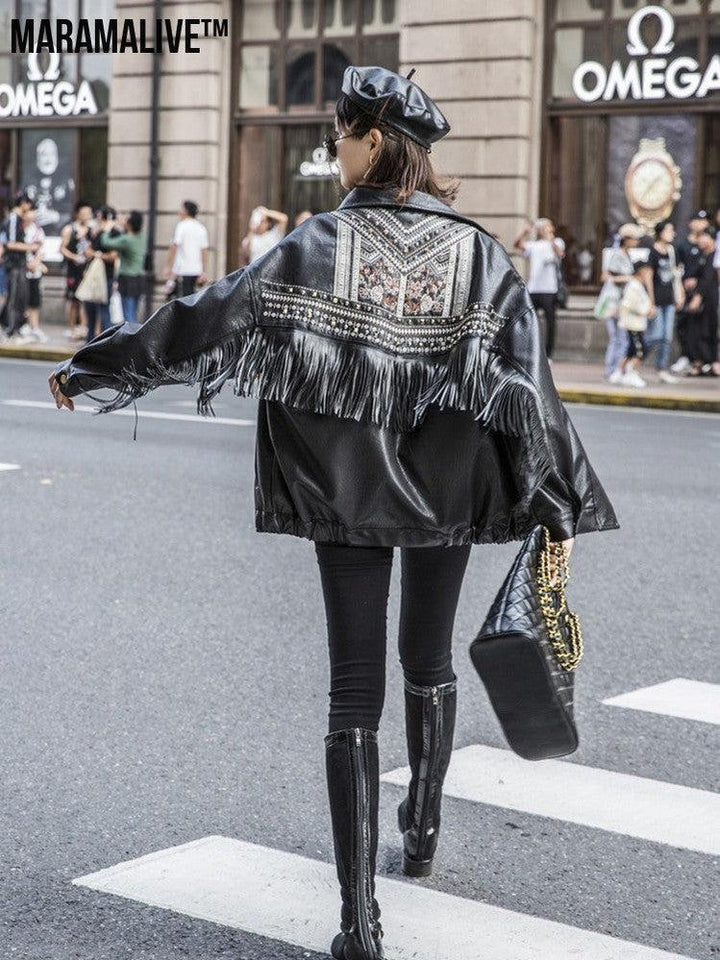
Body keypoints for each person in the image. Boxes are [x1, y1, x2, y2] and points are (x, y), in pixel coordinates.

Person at [48, 65, 619, 960]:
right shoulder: (478, 255)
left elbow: (207, 318)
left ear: (372, 144)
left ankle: (359, 920)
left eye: (341, 134)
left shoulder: (314, 243)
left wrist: (101, 364)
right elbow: (533, 390)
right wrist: (561, 499)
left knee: (353, 690)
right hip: (449, 492)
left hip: (346, 491)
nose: (333, 148)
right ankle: (422, 825)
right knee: (427, 657)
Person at [513, 216, 565, 361]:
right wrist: (525, 232)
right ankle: (529, 351)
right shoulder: (534, 245)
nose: (544, 229)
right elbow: (517, 245)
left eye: (547, 226)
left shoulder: (557, 242)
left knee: (550, 323)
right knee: (529, 321)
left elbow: (560, 253)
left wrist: (551, 237)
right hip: (533, 289)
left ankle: (548, 355)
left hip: (549, 290)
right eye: (543, 227)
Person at [599, 223, 642, 383]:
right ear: (626, 239)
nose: (637, 242)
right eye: (634, 238)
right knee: (618, 338)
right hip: (613, 302)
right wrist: (628, 278)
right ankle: (612, 369)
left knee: (622, 338)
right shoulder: (617, 255)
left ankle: (616, 369)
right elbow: (606, 277)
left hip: (623, 302)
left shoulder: (627, 255)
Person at [643, 219, 682, 384]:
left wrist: (679, 294)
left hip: (669, 299)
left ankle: (661, 368)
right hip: (657, 299)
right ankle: (635, 355)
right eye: (669, 230)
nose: (671, 233)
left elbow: (676, 274)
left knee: (666, 337)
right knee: (656, 334)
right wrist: (651, 299)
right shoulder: (653, 252)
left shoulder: (672, 251)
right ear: (660, 232)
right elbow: (648, 277)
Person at [673, 209, 709, 373]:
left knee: (702, 326)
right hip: (684, 291)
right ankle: (685, 356)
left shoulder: (708, 245)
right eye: (697, 220)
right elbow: (677, 269)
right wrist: (680, 288)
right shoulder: (682, 245)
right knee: (683, 324)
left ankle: (700, 359)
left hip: (704, 291)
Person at [0, 191, 37, 343]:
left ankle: (13, 327)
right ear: (23, 204)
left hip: (19, 264)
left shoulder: (17, 219)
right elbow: (10, 243)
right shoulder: (14, 219)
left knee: (20, 297)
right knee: (15, 298)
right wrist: (30, 247)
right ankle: (10, 329)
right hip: (14, 264)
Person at [100, 210, 147, 323]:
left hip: (127, 278)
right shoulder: (141, 237)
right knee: (133, 312)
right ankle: (135, 337)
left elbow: (106, 242)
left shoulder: (126, 240)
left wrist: (107, 229)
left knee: (128, 313)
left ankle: (131, 339)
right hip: (139, 278)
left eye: (126, 219)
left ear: (130, 223)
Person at [685, 227, 720, 377]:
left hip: (710, 300)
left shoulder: (714, 256)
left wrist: (698, 296)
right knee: (695, 332)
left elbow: (708, 280)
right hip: (700, 300)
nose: (700, 240)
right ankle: (699, 362)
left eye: (703, 236)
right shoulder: (701, 255)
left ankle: (713, 362)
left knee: (709, 331)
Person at [84, 206, 121, 343]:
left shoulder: (114, 233)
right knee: (90, 307)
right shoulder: (98, 233)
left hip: (107, 275)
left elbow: (113, 256)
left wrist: (96, 254)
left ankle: (106, 340)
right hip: (94, 275)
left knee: (104, 308)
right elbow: (89, 250)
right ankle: (91, 338)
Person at [16, 199, 49, 344]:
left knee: (35, 301)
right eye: (29, 211)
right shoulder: (18, 229)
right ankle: (22, 325)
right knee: (21, 299)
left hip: (34, 271)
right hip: (20, 270)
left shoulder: (37, 230)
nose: (31, 214)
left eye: (33, 211)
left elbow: (41, 250)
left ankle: (34, 327)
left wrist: (35, 263)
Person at [60, 200, 93, 340]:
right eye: (84, 213)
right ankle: (72, 328)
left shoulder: (92, 231)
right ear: (78, 214)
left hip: (87, 270)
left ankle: (84, 328)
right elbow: (62, 248)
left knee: (84, 300)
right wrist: (73, 257)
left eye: (88, 213)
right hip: (73, 270)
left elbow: (93, 250)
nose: (86, 216)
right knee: (73, 301)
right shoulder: (69, 229)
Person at [618, 260, 653, 388]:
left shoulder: (638, 285)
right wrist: (645, 311)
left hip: (637, 323)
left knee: (631, 350)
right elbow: (630, 304)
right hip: (633, 324)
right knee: (640, 351)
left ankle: (621, 372)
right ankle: (630, 372)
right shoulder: (634, 286)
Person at [163, 200, 209, 297]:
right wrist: (204, 271)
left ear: (186, 211)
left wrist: (168, 266)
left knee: (180, 299)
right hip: (196, 270)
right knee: (192, 298)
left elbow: (174, 247)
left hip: (182, 270)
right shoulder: (201, 228)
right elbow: (204, 251)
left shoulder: (181, 226)